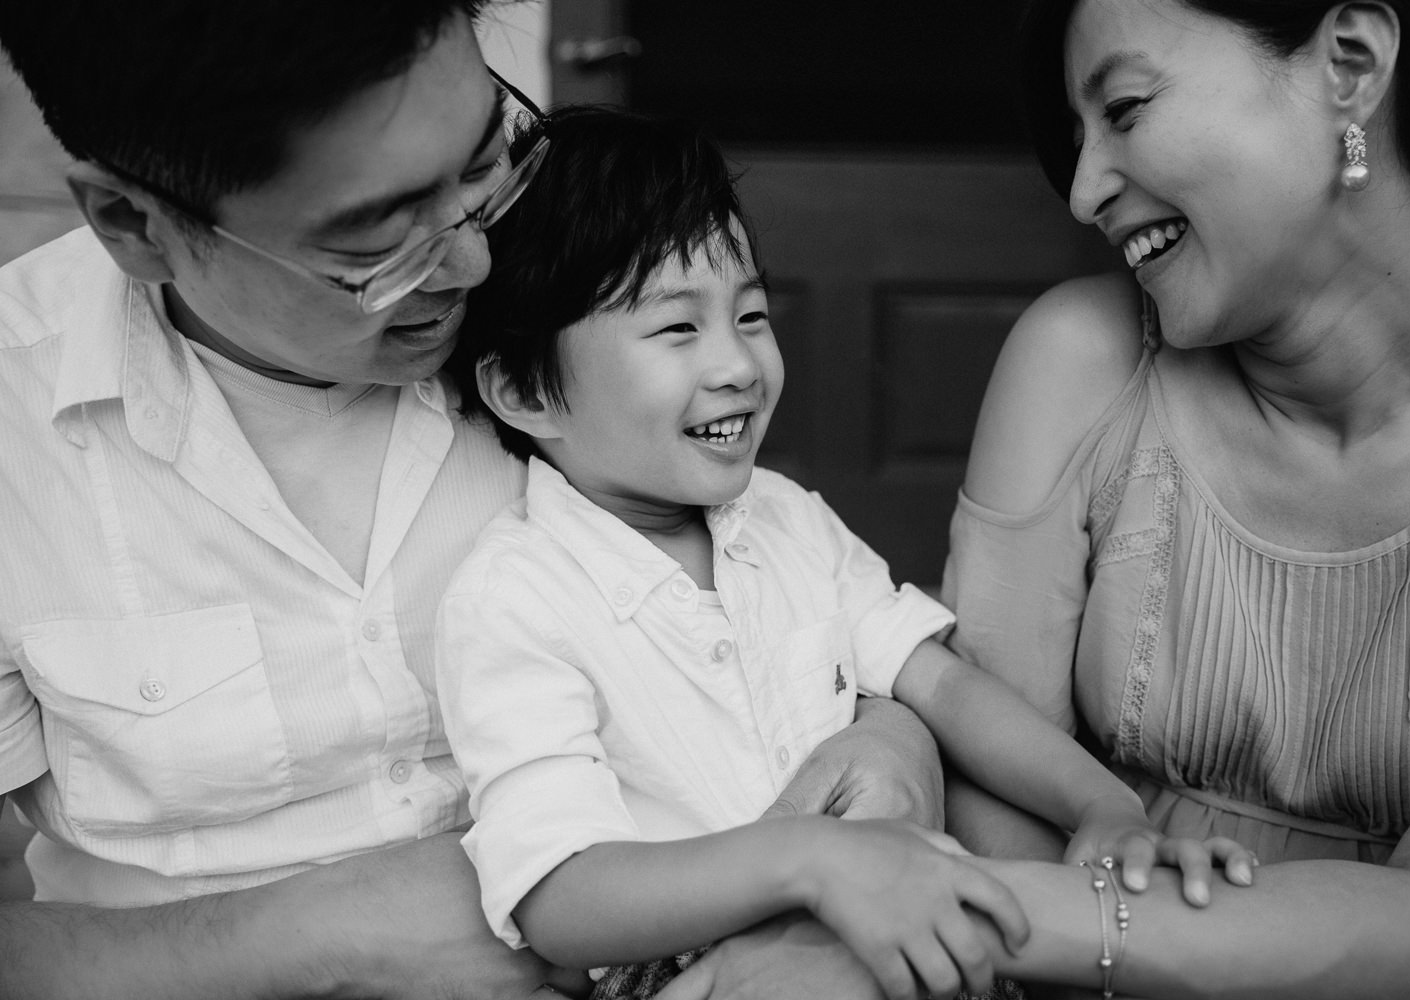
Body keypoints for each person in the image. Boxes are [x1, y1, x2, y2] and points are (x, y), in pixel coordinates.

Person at [0, 4, 948, 998]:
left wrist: (893, 736)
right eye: (376, 242)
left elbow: (786, 593)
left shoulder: (566, 323)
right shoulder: (21, 427)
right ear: (133, 223)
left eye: (489, 158)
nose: (471, 262)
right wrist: (324, 936)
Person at [734, 0, 1410, 997]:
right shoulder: (1082, 363)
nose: (1086, 189)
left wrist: (922, 906)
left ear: (1350, 65)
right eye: (1080, 136)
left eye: (1127, 107)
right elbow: (994, 777)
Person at [437, 105, 1256, 1000]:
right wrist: (811, 860)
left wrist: (1101, 805)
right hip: (689, 968)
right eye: (678, 329)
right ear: (525, 390)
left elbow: (939, 684)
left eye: (750, 314)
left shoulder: (785, 520)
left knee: (1068, 909)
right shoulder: (514, 597)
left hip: (875, 919)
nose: (740, 365)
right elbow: (563, 898)